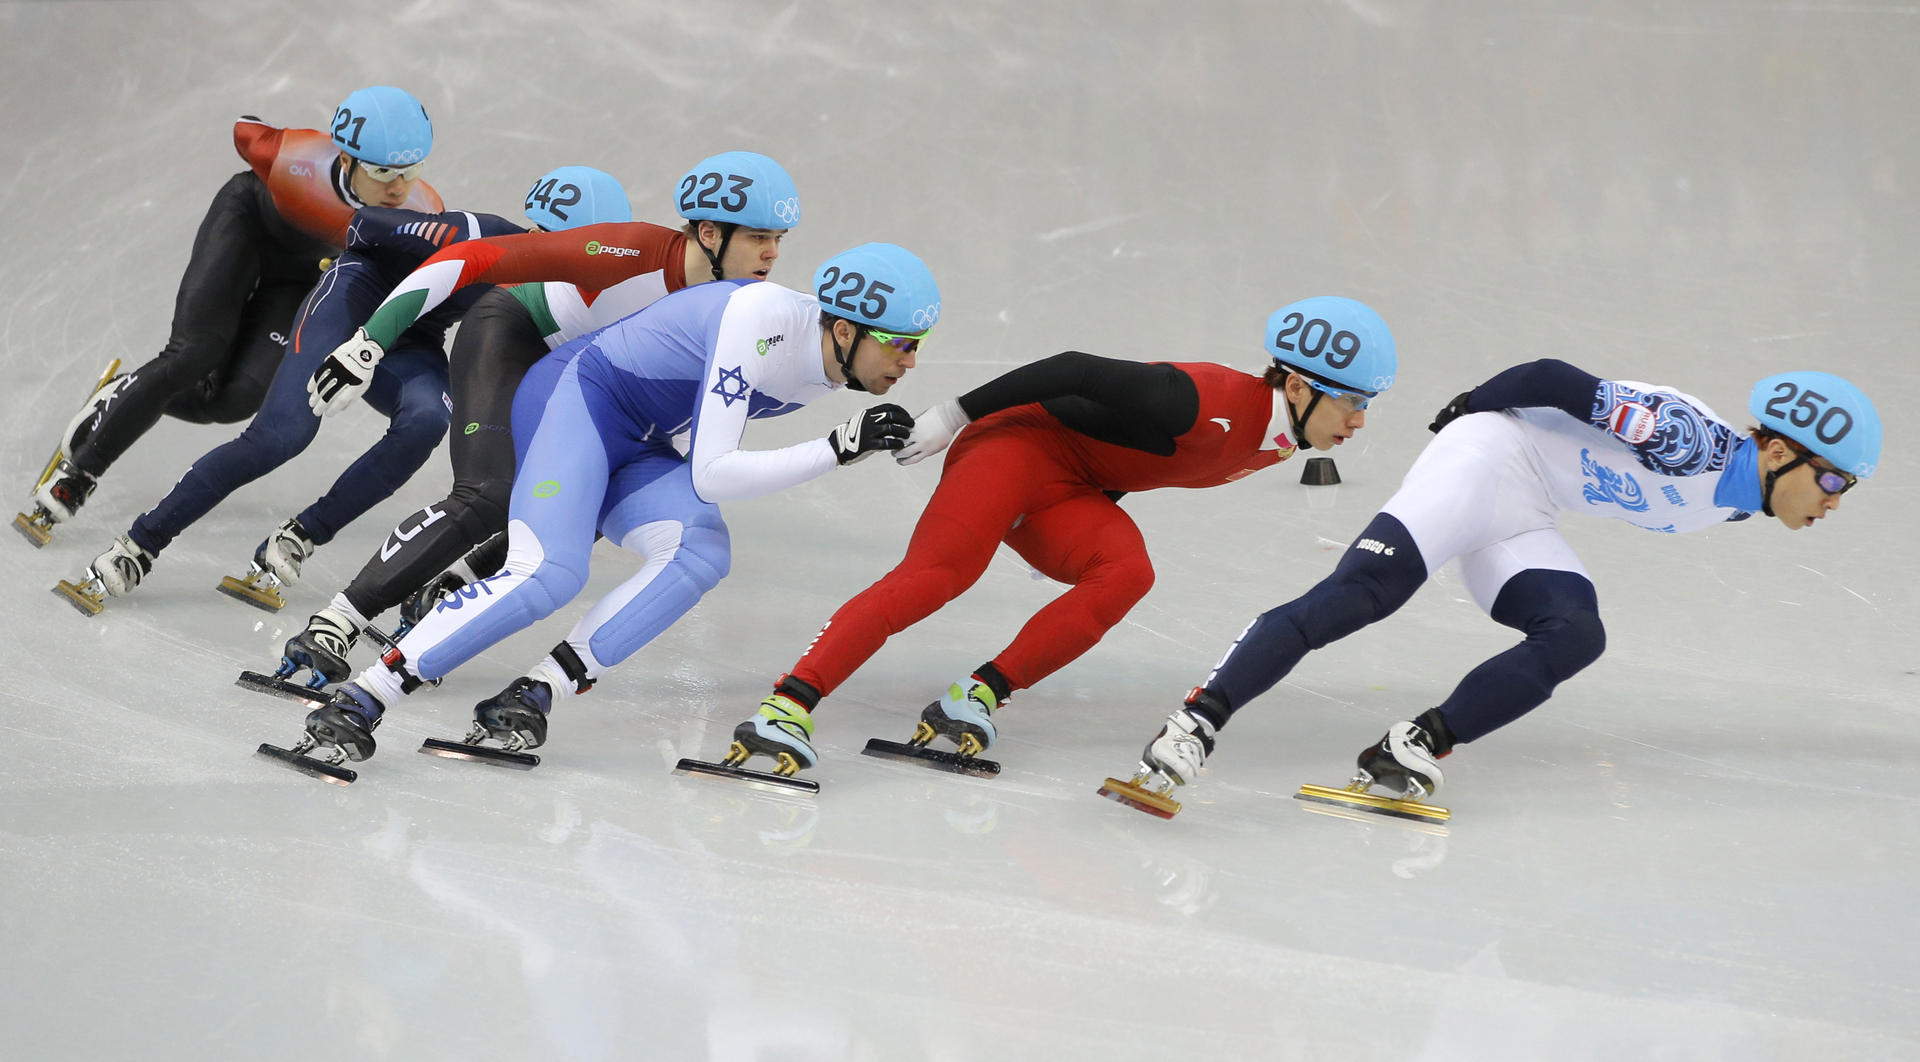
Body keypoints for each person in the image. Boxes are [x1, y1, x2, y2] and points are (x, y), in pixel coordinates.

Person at [1109, 359, 1881, 815]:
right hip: (1484, 458)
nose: (1838, 500)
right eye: (1834, 478)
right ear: (1778, 451)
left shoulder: (1746, 502)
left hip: (1528, 509)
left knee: (1577, 632)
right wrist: (1466, 411)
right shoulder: (1687, 443)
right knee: (1365, 592)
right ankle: (1195, 724)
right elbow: (1550, 378)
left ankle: (1409, 746)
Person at [279, 243, 940, 773]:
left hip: (637, 439)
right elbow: (711, 473)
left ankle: (536, 690)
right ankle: (367, 693)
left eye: (919, 344)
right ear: (848, 329)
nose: (912, 361)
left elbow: (692, 434)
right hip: (576, 399)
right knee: (550, 574)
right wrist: (835, 448)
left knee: (701, 551)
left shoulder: (830, 362)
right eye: (902, 343)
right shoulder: (762, 321)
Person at [719, 295, 1397, 779]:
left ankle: (975, 697)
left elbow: (1134, 452)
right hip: (1008, 449)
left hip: (1066, 486)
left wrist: (1083, 516)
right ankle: (786, 706)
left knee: (1127, 572)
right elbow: (1075, 369)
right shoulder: (1207, 401)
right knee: (940, 576)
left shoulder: (1280, 441)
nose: (1360, 423)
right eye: (1354, 403)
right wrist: (954, 415)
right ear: (1304, 387)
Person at [271, 152, 799, 688]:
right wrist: (369, 342)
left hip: (590, 385)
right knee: (489, 492)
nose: (773, 254)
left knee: (594, 493)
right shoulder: (627, 251)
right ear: (709, 233)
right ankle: (338, 621)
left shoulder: (742, 304)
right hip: (518, 334)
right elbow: (472, 259)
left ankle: (455, 586)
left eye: (779, 238)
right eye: (759, 237)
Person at [55, 165, 629, 615]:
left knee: (428, 419)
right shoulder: (474, 233)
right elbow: (364, 228)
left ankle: (303, 533)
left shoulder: (573, 287)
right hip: (354, 298)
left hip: (413, 335)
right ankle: (139, 543)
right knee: (279, 437)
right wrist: (360, 329)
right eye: (558, 242)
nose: (562, 258)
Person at [23, 87, 442, 544]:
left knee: (232, 400)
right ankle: (80, 469)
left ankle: (121, 394)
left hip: (299, 276)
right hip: (247, 226)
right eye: (383, 171)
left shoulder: (423, 210)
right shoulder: (293, 157)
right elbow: (246, 130)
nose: (398, 187)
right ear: (345, 160)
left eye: (410, 169)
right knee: (195, 353)